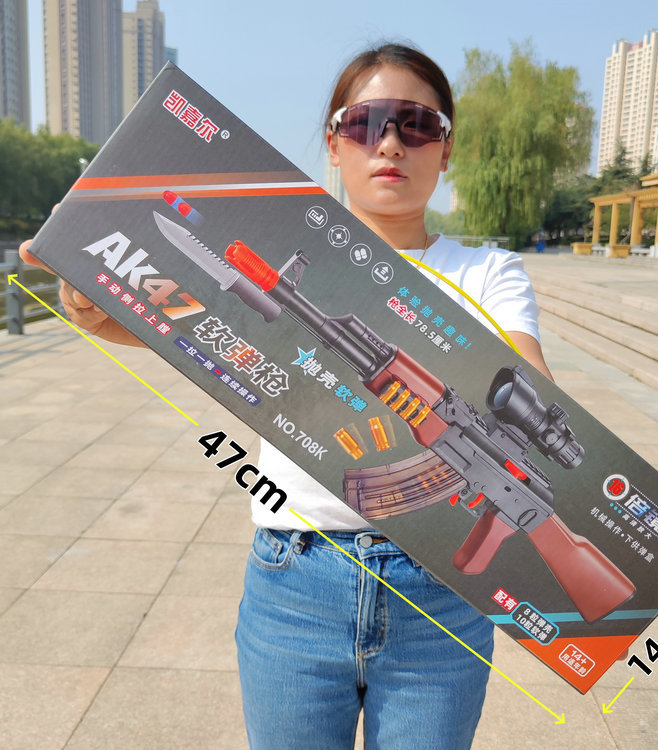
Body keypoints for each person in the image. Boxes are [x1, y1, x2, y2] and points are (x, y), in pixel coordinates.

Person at [21, 42, 552, 750]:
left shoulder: (488, 271)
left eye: (418, 124)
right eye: (365, 122)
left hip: (440, 600)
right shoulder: (289, 258)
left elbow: (532, 385)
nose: (390, 143)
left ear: (446, 148)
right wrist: (88, 298)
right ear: (333, 143)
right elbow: (194, 330)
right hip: (296, 578)